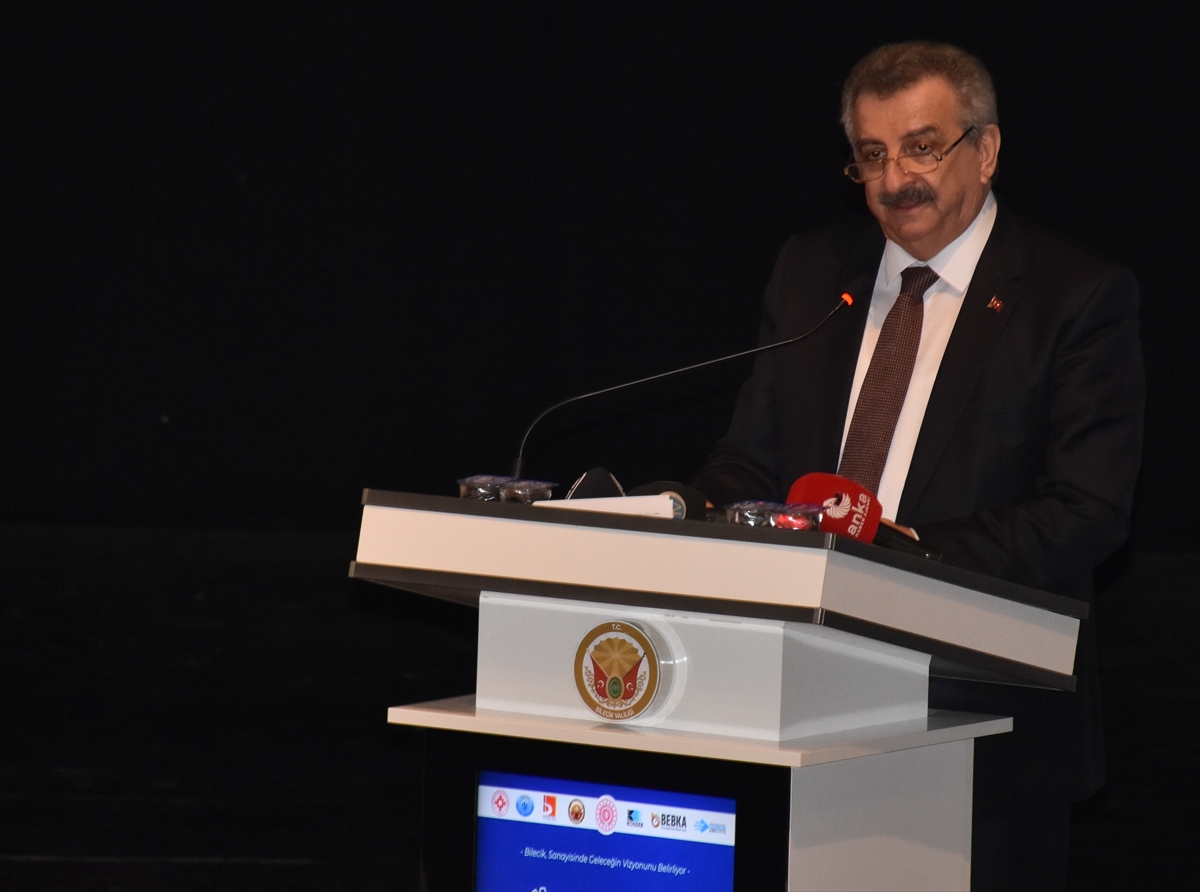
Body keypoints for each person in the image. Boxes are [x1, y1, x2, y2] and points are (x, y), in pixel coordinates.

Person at [693, 41, 1144, 889]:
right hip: (795, 697)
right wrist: (683, 514)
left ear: (987, 149)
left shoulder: (1074, 295)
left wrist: (897, 562)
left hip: (986, 721)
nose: (895, 178)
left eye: (923, 147)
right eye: (872, 155)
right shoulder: (812, 273)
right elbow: (749, 460)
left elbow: (1087, 510)